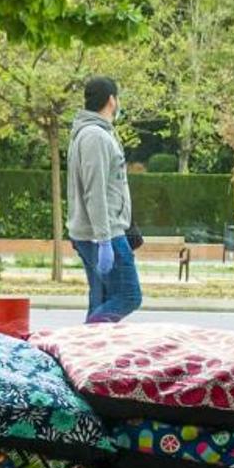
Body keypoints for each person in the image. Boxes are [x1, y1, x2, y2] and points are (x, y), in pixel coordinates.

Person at [67, 76, 142, 323]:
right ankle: (81, 339)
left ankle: (85, 354)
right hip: (103, 234)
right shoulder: (95, 136)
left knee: (101, 299)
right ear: (112, 100)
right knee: (129, 295)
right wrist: (104, 239)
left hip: (100, 232)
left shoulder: (96, 133)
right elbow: (94, 190)